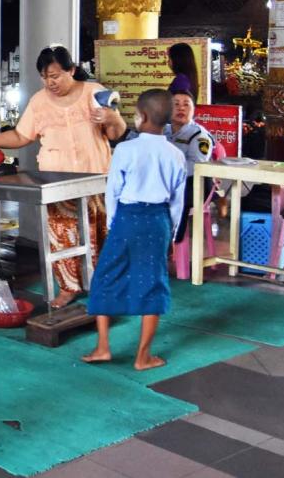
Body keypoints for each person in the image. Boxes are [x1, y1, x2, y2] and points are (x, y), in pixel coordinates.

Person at [0, 45, 126, 308]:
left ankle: (104, 286)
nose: (49, 82)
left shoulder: (94, 93)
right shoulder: (39, 101)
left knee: (98, 232)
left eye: (55, 76)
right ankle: (68, 287)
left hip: (94, 177)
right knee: (62, 233)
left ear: (71, 70)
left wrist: (113, 116)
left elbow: (116, 135)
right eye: (45, 77)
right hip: (56, 181)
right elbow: (21, 136)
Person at [83, 89, 186, 370]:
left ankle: (103, 347)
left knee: (106, 275)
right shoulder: (176, 155)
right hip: (158, 220)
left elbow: (113, 191)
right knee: (152, 281)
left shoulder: (126, 150)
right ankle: (143, 357)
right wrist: (173, 234)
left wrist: (115, 222)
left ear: (140, 117)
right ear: (166, 119)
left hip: (127, 217)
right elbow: (178, 201)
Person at [166, 90, 215, 244]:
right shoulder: (163, 130)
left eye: (186, 105)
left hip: (193, 185)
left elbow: (196, 166)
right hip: (168, 181)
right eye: (176, 104)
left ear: (193, 110)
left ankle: (172, 237)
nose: (181, 108)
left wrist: (167, 169)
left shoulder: (199, 136)